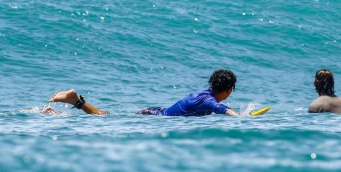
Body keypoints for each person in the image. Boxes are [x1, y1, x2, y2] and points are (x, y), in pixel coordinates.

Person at [44, 69, 242, 116]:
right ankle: (75, 100)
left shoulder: (205, 94)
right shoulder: (208, 101)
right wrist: (241, 118)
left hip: (154, 112)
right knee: (103, 117)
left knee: (107, 117)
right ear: (227, 90)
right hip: (153, 117)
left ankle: (55, 113)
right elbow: (219, 108)